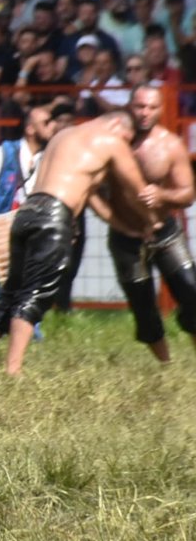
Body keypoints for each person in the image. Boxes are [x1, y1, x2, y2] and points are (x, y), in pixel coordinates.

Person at [0, 111, 155, 376]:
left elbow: (93, 200)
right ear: (116, 124)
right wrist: (154, 222)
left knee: (11, 291)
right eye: (127, 139)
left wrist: (125, 228)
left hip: (27, 212)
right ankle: (13, 370)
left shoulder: (63, 136)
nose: (126, 145)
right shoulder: (110, 140)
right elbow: (139, 190)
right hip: (54, 216)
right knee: (36, 293)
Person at [94, 86, 196, 362]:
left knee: (192, 291)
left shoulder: (170, 144)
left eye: (151, 107)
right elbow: (89, 188)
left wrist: (161, 194)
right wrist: (110, 218)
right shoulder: (112, 143)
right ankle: (165, 366)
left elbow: (188, 194)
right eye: (140, 106)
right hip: (126, 237)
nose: (145, 113)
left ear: (161, 108)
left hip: (165, 234)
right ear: (130, 106)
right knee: (143, 308)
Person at [0, 106, 55, 306]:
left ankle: (30, 329)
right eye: (46, 123)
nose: (52, 127)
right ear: (30, 129)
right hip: (4, 226)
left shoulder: (49, 158)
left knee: (33, 281)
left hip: (35, 227)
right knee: (0, 280)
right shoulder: (1, 153)